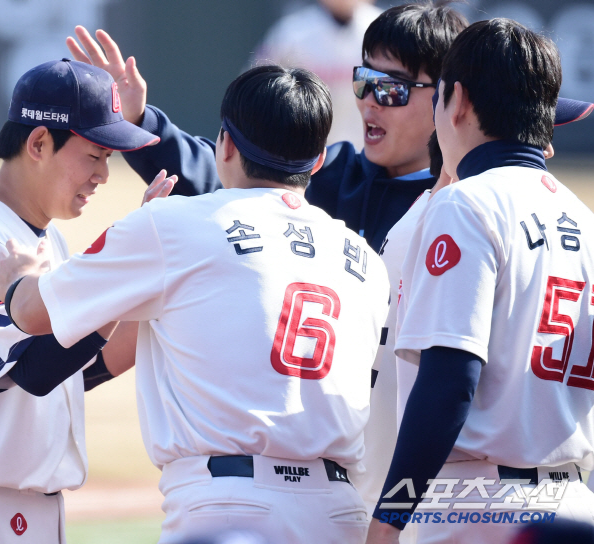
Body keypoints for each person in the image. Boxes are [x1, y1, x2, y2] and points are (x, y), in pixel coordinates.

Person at [0, 65, 391, 543]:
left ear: (224, 145)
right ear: (318, 160)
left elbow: (34, 314)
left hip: (228, 508)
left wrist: (17, 280)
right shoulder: (365, 259)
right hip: (339, 513)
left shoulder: (173, 224)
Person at [0, 58, 172, 544]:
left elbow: (77, 368)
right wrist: (118, 268)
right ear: (39, 143)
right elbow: (33, 372)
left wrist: (147, 276)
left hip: (23, 514)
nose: (103, 176)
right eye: (94, 156)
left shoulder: (42, 241)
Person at [367, 18, 594, 544]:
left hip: (474, 510)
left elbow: (449, 380)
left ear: (459, 100)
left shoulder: (465, 204)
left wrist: (389, 518)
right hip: (573, 505)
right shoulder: (584, 219)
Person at [66, 1, 468, 255]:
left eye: (390, 89)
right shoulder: (332, 178)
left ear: (448, 98)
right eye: (364, 80)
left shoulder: (469, 208)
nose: (367, 99)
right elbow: (222, 170)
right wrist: (138, 121)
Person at [252, 0, 382, 148]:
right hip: (304, 151)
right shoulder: (291, 33)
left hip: (368, 149)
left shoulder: (386, 31)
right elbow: (257, 93)